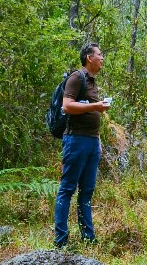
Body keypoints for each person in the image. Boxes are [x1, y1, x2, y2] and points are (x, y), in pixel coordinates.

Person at [54, 42, 111, 248]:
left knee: (87, 191)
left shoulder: (93, 82)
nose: (102, 58)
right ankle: (61, 241)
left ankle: (88, 237)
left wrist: (98, 140)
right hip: (76, 140)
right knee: (67, 189)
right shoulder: (77, 77)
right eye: (99, 54)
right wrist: (96, 105)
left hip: (91, 141)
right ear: (89, 57)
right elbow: (67, 106)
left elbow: (92, 113)